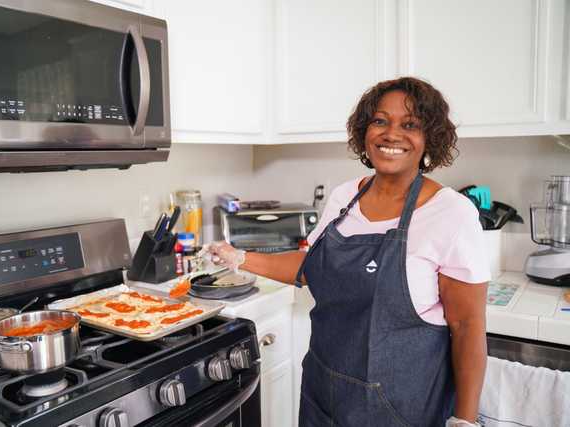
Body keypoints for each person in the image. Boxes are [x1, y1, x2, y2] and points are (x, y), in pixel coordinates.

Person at [202, 77, 489, 427]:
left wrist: (465, 420)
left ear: (430, 137)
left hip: (401, 409)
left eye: (410, 124)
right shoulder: (344, 198)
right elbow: (312, 267)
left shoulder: (451, 213)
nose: (391, 134)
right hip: (324, 396)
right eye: (380, 121)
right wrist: (241, 257)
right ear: (364, 132)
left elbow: (467, 326)